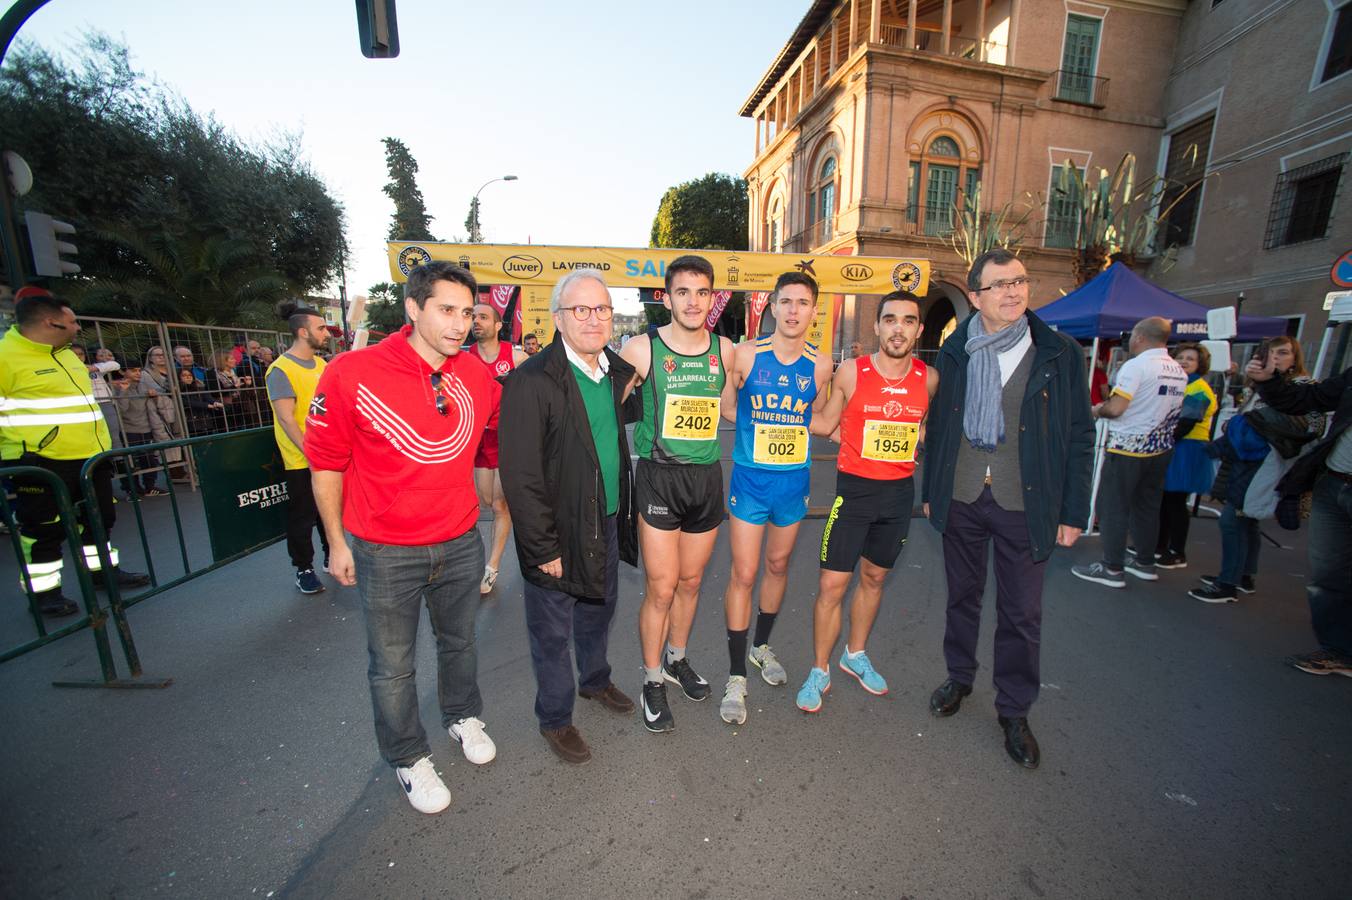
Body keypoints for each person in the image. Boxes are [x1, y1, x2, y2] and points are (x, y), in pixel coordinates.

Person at [306, 261, 501, 815]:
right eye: (447, 309)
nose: (461, 323)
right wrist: (336, 543)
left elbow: (501, 435)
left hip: (462, 540)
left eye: (467, 312)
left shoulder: (476, 376)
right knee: (392, 665)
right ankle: (408, 756)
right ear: (413, 308)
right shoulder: (351, 372)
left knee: (460, 642)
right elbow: (325, 463)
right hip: (385, 550)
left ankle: (462, 716)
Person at [922, 249, 1094, 769]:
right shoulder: (957, 351)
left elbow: (1080, 436)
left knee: (1022, 613)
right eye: (998, 285)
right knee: (962, 598)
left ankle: (1014, 710)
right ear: (975, 297)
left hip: (1027, 500)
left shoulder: (1059, 352)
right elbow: (943, 427)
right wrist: (931, 489)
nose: (1013, 292)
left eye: (1019, 281)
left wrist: (1072, 511)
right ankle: (959, 678)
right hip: (965, 495)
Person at [499, 269, 639, 764]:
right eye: (580, 309)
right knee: (552, 634)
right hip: (557, 534)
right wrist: (542, 549)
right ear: (558, 318)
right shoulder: (531, 380)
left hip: (606, 522)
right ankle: (555, 719)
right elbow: (519, 475)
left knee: (598, 613)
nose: (593, 319)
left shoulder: (617, 373)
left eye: (601, 309)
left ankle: (595, 682)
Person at [794, 291, 934, 715]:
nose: (898, 328)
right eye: (890, 319)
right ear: (876, 326)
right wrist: (786, 405)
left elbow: (923, 431)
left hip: (898, 496)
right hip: (854, 493)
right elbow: (824, 423)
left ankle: (854, 654)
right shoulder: (853, 372)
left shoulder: (929, 378)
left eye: (907, 321)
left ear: (918, 330)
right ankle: (819, 669)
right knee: (831, 587)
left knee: (874, 578)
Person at [619, 254, 734, 733]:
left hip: (706, 478)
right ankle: (651, 680)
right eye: (682, 292)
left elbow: (730, 407)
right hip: (660, 477)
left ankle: (676, 659)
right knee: (662, 587)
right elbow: (608, 406)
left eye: (701, 292)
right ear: (666, 298)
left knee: (690, 583)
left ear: (712, 298)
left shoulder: (726, 350)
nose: (692, 301)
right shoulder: (642, 349)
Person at [716, 271, 832, 725]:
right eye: (785, 302)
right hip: (750, 481)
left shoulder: (821, 365)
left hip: (793, 484)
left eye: (802, 303)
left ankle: (762, 647)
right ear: (773, 307)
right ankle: (735, 674)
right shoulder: (746, 354)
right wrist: (754, 422)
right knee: (743, 572)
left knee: (778, 566)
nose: (793, 310)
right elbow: (727, 406)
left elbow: (820, 418)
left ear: (813, 310)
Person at [1, 288, 149, 617]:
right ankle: (45, 594)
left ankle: (102, 574)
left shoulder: (66, 354)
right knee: (43, 530)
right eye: (72, 322)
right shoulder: (5, 358)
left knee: (99, 520)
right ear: (50, 322)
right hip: (39, 463)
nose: (78, 328)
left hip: (91, 457)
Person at [1189, 337, 1322, 603]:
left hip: (1268, 461)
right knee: (1246, 519)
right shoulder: (1259, 385)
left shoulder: (1303, 387)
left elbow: (1311, 427)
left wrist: (1254, 425)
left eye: (1282, 353)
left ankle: (1227, 584)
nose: (1275, 359)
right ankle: (1244, 575)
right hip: (1245, 458)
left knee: (1232, 519)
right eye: (1270, 354)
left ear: (1294, 357)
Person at [1245, 350, 1352, 675]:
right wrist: (1270, 381)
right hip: (1334, 482)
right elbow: (1307, 398)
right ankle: (1337, 650)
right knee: (1328, 574)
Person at [1072, 316, 1186, 588]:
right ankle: (1145, 561)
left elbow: (1116, 408)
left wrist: (1096, 409)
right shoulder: (1177, 369)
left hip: (1129, 447)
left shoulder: (1137, 366)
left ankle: (1112, 568)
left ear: (1141, 337)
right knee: (1147, 506)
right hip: (1160, 447)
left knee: (1112, 506)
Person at [265, 302, 331, 595]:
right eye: (321, 328)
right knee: (303, 516)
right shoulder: (279, 369)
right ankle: (304, 568)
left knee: (329, 510)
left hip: (326, 455)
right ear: (303, 332)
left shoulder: (321, 365)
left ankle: (333, 555)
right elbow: (286, 418)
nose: (326, 333)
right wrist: (310, 451)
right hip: (300, 460)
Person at [467, 302, 528, 595]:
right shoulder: (463, 359)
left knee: (502, 504)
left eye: (482, 317)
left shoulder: (515, 357)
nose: (475, 321)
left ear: (497, 325)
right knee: (488, 501)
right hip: (478, 439)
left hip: (508, 438)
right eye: (473, 317)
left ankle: (491, 567)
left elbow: (538, 389)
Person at [1155, 343, 1219, 568]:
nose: (1183, 361)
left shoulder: (1199, 388)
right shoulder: (1179, 384)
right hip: (1174, 444)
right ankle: (1159, 545)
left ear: (1200, 364)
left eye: (1190, 359)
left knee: (1176, 502)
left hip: (1187, 448)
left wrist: (1163, 438)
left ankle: (1177, 551)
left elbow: (1187, 422)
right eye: (1180, 357)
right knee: (1164, 499)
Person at [116, 359, 170, 497]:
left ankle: (150, 486)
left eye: (139, 370)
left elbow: (156, 405)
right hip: (129, 430)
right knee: (130, 462)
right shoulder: (118, 388)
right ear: (123, 371)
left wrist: (154, 397)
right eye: (133, 370)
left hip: (147, 427)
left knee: (149, 459)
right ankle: (132, 489)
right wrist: (124, 392)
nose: (138, 373)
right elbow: (121, 409)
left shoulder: (143, 386)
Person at [176, 366, 220, 437]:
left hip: (206, 423)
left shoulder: (199, 389)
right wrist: (207, 405)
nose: (188, 377)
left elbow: (208, 398)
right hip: (191, 425)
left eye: (190, 375)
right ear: (178, 378)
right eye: (184, 375)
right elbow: (189, 403)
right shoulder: (179, 392)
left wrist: (215, 403)